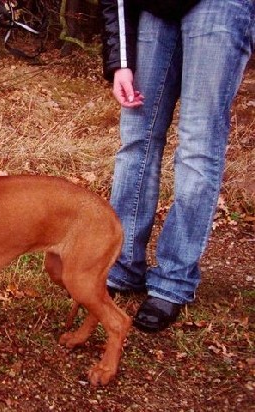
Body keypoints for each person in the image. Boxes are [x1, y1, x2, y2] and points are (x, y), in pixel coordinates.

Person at [99, 0, 255, 332]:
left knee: (198, 145)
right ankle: (122, 264)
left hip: (220, 7)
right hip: (155, 8)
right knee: (136, 139)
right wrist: (121, 62)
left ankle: (173, 280)